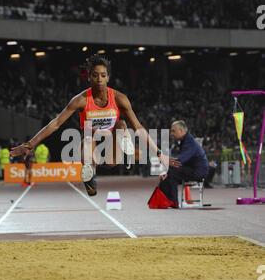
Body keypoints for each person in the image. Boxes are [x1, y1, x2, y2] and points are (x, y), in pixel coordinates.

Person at [11, 54, 180, 195]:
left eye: (103, 75)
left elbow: (139, 127)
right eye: (95, 75)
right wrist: (30, 144)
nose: (99, 79)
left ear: (108, 77)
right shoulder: (81, 100)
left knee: (122, 124)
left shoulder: (120, 98)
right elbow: (56, 123)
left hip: (111, 144)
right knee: (86, 146)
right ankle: (89, 170)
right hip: (90, 141)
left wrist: (159, 153)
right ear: (89, 77)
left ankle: (125, 142)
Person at [158, 120, 209, 207]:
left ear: (181, 131)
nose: (171, 133)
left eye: (173, 131)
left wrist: (165, 162)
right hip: (192, 169)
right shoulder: (185, 141)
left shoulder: (190, 142)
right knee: (170, 173)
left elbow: (179, 161)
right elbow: (180, 161)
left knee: (172, 172)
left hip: (198, 172)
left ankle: (171, 201)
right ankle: (165, 200)